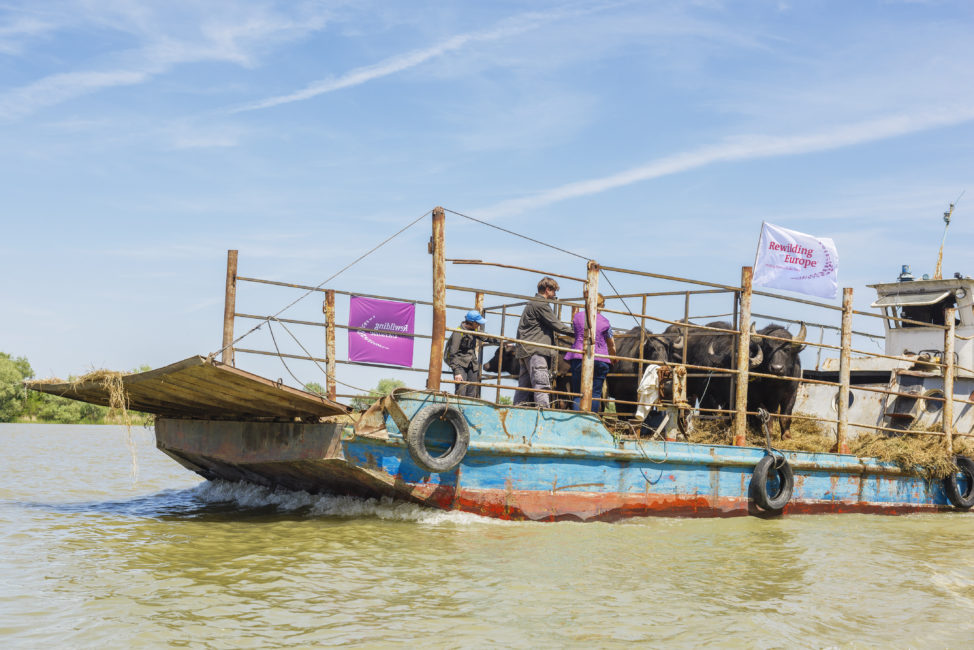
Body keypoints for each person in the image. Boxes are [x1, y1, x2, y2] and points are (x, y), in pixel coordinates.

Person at [513, 277, 574, 407]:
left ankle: (517, 410)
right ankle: (543, 413)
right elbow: (556, 324)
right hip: (536, 350)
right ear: (548, 290)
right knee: (541, 384)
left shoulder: (531, 303)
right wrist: (577, 333)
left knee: (524, 386)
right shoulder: (541, 304)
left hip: (525, 350)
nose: (555, 295)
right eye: (554, 292)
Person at [564, 293, 616, 411]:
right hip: (600, 358)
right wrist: (613, 356)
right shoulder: (606, 322)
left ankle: (578, 418)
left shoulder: (577, 317)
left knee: (579, 392)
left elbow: (576, 333)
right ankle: (590, 420)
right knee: (595, 394)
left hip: (579, 356)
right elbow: (611, 343)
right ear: (601, 305)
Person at [444, 310, 496, 397]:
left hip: (472, 365)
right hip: (460, 365)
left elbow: (486, 337)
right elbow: (453, 353)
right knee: (461, 392)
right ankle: (458, 410)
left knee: (472, 392)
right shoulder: (458, 332)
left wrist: (502, 341)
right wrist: (457, 372)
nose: (479, 324)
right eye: (478, 323)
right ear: (472, 322)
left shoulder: (474, 330)